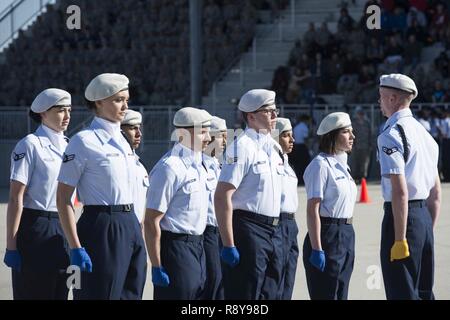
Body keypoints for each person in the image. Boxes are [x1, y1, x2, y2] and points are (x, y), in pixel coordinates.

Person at [56, 73, 147, 300]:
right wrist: (75, 246)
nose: (125, 105)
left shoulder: (124, 143)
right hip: (103, 225)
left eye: (126, 99)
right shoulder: (83, 141)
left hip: (131, 224)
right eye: (118, 100)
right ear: (98, 102)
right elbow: (63, 198)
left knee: (131, 293)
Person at [215, 89, 284, 300]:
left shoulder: (273, 147)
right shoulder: (241, 147)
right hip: (248, 230)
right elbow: (222, 196)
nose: (274, 116)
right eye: (268, 111)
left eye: (275, 111)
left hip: (273, 229)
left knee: (271, 292)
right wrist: (228, 243)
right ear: (251, 116)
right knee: (246, 294)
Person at [3, 89, 72, 300]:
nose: (67, 116)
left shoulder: (70, 145)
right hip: (37, 226)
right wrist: (11, 245)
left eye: (69, 110)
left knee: (60, 290)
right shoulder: (30, 144)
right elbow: (16, 197)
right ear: (43, 113)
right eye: (60, 111)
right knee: (34, 292)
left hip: (64, 226)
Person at [378, 73, 441, 300]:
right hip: (423, 218)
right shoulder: (426, 135)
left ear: (393, 98)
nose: (380, 102)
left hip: (402, 219)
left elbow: (400, 191)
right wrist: (426, 231)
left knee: (401, 291)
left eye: (382, 97)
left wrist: (400, 238)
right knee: (424, 291)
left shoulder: (392, 134)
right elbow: (435, 194)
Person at [145, 107, 212, 300]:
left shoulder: (199, 166)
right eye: (202, 132)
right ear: (183, 134)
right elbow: (151, 221)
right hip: (176, 248)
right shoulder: (170, 168)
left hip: (198, 247)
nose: (208, 138)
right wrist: (157, 265)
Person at [302, 112, 357, 300]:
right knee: (327, 293)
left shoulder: (343, 165)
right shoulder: (320, 165)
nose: (352, 136)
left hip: (346, 232)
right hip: (328, 234)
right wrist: (317, 248)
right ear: (332, 135)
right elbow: (312, 209)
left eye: (352, 131)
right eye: (346, 132)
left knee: (342, 293)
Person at [272, 118, 299, 300]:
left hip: (291, 224)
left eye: (292, 135)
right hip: (277, 223)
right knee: (276, 280)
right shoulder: (270, 161)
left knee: (289, 278)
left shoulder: (287, 162)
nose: (292, 140)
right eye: (286, 135)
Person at [202, 116, 227, 300]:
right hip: (206, 233)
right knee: (211, 283)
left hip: (221, 232)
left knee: (221, 288)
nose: (226, 141)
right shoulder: (199, 165)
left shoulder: (219, 166)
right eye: (222, 136)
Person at [121, 109, 149, 225]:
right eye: (132, 128)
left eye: (139, 128)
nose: (139, 134)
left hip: (136, 229)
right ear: (120, 131)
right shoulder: (113, 163)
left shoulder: (140, 165)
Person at [349, 106, 372, 183]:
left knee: (364, 164)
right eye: (359, 113)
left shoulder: (367, 123)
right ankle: (355, 178)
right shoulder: (353, 123)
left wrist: (370, 145)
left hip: (365, 147)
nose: (360, 115)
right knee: (355, 163)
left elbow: (370, 135)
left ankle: (363, 178)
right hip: (355, 147)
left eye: (361, 113)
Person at [292, 114, 311, 185]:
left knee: (297, 165)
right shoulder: (304, 127)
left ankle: (299, 180)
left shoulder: (296, 127)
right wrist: (309, 148)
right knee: (304, 165)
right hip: (302, 147)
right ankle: (303, 181)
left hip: (296, 146)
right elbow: (306, 139)